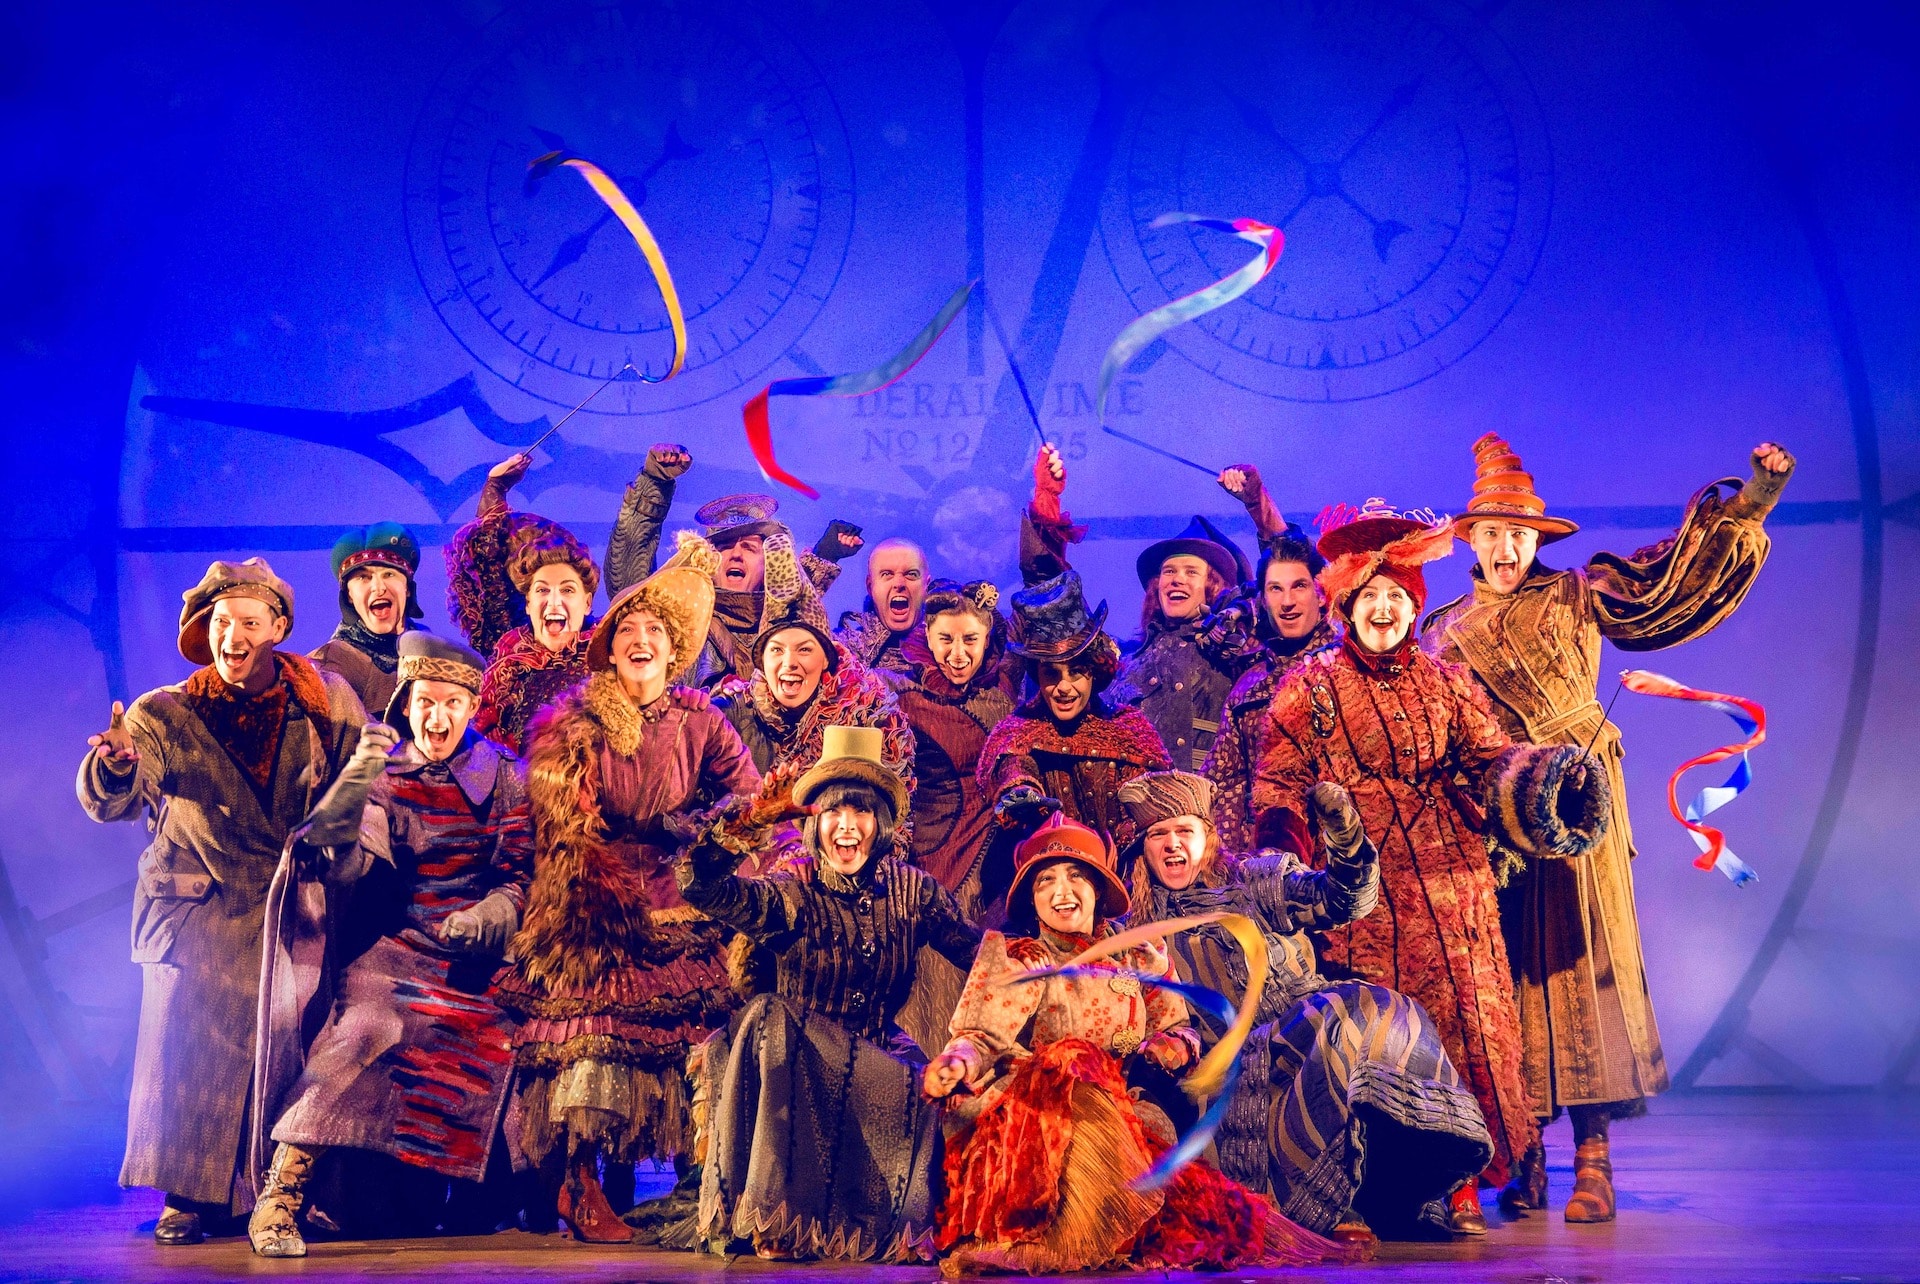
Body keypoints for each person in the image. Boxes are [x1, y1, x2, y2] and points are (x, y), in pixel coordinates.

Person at [1423, 435, 1797, 1221]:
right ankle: (1519, 1155)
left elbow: (1670, 582)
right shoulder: (1442, 631)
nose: (1505, 548)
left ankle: (1594, 1158)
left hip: (1584, 793)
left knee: (1588, 961)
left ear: (1537, 539)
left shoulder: (1577, 593)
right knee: (1508, 974)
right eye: (1490, 534)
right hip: (1501, 812)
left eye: (1519, 534)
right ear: (1472, 540)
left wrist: (1755, 499)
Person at [1252, 501, 1612, 1234]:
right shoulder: (1309, 687)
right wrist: (1292, 862)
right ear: (1346, 605)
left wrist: (1548, 774)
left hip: (1452, 886)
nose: (1383, 609)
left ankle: (1460, 1180)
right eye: (1370, 597)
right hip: (1359, 896)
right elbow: (1277, 784)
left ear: (1412, 606)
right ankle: (1362, 1182)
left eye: (1397, 597)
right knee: (1373, 1038)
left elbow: (1487, 756)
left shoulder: (1444, 681)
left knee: (1463, 1032)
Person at [924, 812, 1355, 1274]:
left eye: (1075, 878)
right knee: (1074, 1057)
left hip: (1123, 1107)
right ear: (1032, 899)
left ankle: (1106, 1225)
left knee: (1201, 1205)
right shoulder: (1023, 958)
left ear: (1098, 890)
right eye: (1045, 882)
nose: (1061, 893)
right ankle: (1069, 1232)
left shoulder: (1138, 955)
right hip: (1036, 1113)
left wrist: (1172, 1048)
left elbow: (1179, 1027)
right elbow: (981, 1035)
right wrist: (958, 1062)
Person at [76, 559, 365, 1245]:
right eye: (220, 623)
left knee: (289, 1051)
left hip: (289, 902)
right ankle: (189, 1193)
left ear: (279, 630)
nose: (232, 637)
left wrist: (340, 837)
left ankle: (277, 1193)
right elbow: (123, 785)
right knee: (194, 1052)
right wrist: (114, 765)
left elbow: (365, 777)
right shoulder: (166, 711)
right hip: (197, 903)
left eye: (248, 624)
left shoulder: (325, 701)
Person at [492, 533, 761, 1243]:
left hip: (677, 894)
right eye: (627, 632)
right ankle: (577, 1185)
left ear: (675, 651)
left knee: (696, 1033)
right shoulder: (576, 721)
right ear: (608, 649)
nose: (641, 641)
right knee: (595, 1028)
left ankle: (689, 1186)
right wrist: (596, 885)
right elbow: (558, 819)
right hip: (592, 897)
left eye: (654, 632)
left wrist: (706, 832)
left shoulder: (700, 718)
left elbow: (751, 799)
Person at [249, 632, 533, 1258]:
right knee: (365, 1027)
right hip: (398, 948)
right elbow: (351, 858)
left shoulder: (506, 777)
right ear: (407, 703)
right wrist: (350, 799)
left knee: (503, 1032)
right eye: (426, 702)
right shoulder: (386, 774)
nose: (438, 718)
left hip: (478, 957)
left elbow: (519, 871)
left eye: (453, 703)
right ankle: (281, 1194)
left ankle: (473, 1196)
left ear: (471, 707)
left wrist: (493, 914)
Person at [1121, 771, 1494, 1243]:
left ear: (1207, 836)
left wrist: (1346, 839)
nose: (1172, 845)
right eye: (1158, 834)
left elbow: (1344, 899)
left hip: (1303, 1016)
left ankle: (1442, 1170)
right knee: (1341, 1018)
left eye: (1184, 832)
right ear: (1143, 846)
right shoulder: (1134, 927)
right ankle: (1337, 1202)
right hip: (1225, 1057)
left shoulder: (1254, 882)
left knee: (1382, 1009)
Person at [679, 726, 980, 1262]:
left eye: (861, 813)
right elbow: (699, 887)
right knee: (768, 1014)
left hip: (880, 1066)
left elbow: (980, 956)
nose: (846, 827)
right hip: (801, 1071)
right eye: (833, 813)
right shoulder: (792, 892)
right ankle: (772, 1214)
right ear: (815, 823)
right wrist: (748, 823)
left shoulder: (914, 891)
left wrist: (1051, 951)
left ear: (881, 824)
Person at [975, 565, 1170, 907]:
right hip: (1049, 896)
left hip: (1127, 893)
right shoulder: (1019, 730)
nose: (1064, 687)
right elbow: (1015, 770)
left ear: (1093, 674)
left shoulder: (1128, 730)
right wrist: (1021, 794)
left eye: (1076, 672)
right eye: (1052, 673)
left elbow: (1153, 804)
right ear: (1038, 675)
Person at [601, 442, 863, 687]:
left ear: (769, 565)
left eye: (749, 547)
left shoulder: (785, 632)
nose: (735, 554)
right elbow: (630, 593)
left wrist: (824, 555)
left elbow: (797, 602)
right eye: (724, 546)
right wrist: (654, 484)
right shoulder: (681, 628)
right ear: (707, 559)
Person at [710, 528, 916, 791]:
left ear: (826, 660)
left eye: (804, 650)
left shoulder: (867, 715)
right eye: (776, 650)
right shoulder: (731, 712)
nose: (789, 662)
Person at [444, 453, 602, 752]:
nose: (554, 601)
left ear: (587, 603)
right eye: (542, 591)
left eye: (567, 590)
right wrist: (495, 488)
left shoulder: (608, 659)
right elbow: (488, 575)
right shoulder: (508, 661)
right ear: (527, 603)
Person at [1204, 524, 1337, 855]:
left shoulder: (1344, 666)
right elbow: (1225, 784)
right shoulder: (1248, 687)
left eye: (1299, 587)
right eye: (1276, 589)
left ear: (1322, 594)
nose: (1288, 602)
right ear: (1262, 599)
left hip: (1340, 863)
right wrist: (1231, 865)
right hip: (1266, 866)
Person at [309, 522, 426, 716]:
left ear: (407, 588)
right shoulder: (327, 667)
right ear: (349, 595)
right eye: (364, 577)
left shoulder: (431, 650)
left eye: (389, 574)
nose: (378, 588)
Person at [836, 537, 931, 677]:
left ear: (926, 586)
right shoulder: (847, 649)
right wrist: (826, 553)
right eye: (887, 574)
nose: (899, 583)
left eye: (911, 574)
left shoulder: (951, 647)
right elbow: (798, 637)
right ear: (870, 586)